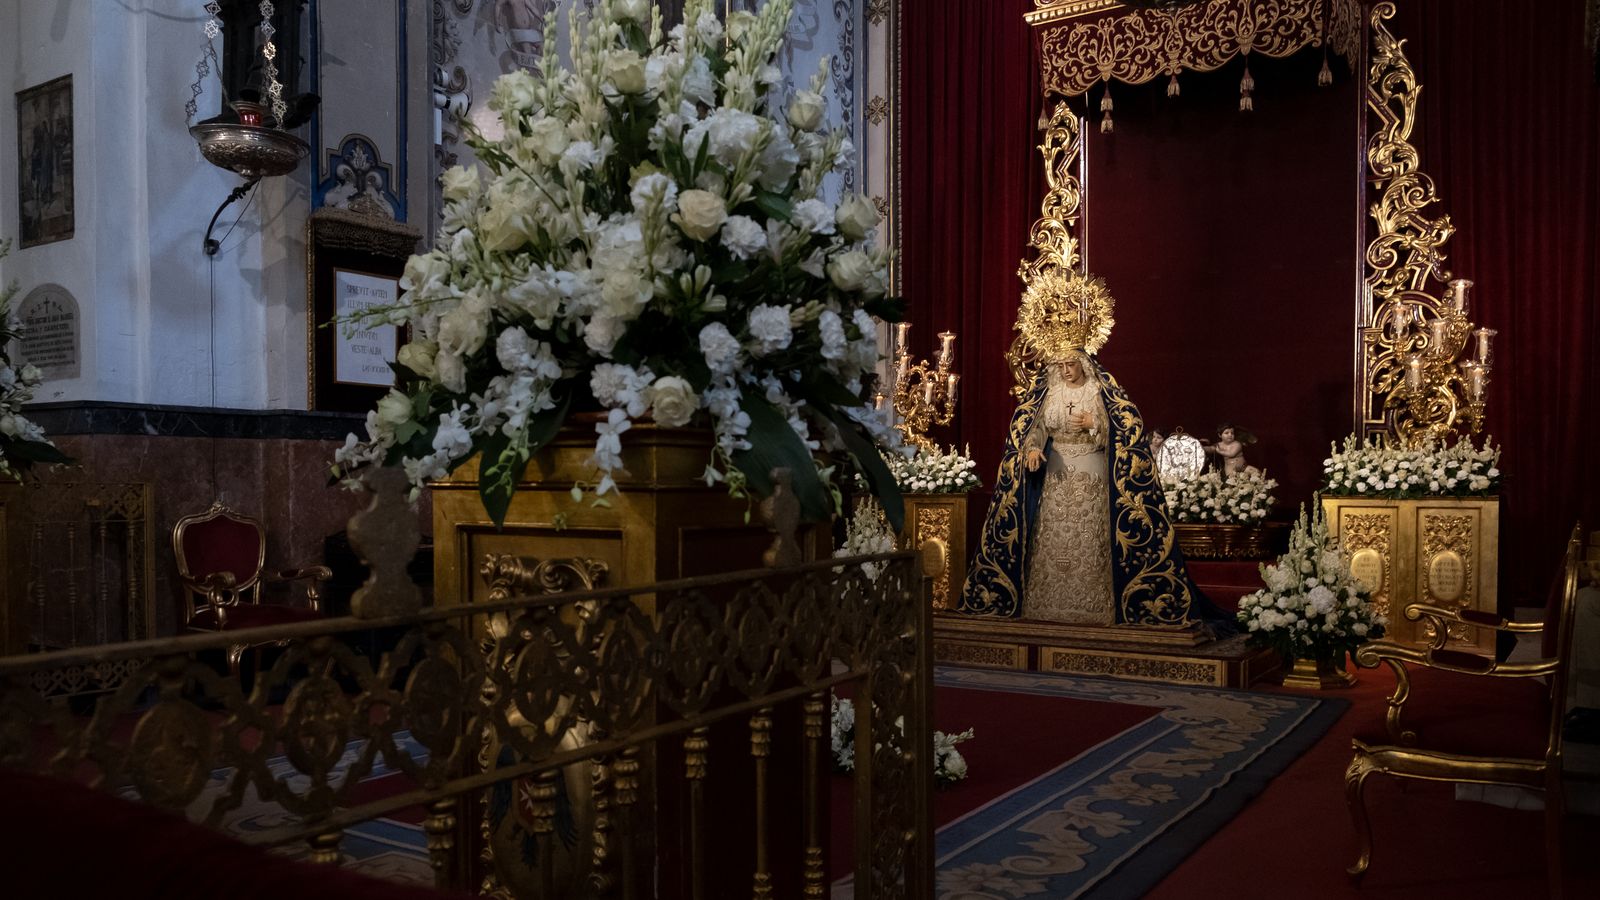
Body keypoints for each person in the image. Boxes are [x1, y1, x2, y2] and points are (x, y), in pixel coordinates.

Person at [960, 330, 1231, 632]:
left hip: (1092, 472)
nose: (1065, 371)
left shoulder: (1099, 389)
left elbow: (1125, 430)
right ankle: (1047, 605)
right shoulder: (1049, 390)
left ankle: (1093, 606)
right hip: (1054, 478)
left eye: (1070, 365)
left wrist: (1095, 423)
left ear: (1084, 363)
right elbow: (1034, 427)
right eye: (1059, 365)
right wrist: (1033, 448)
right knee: (1052, 536)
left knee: (1089, 536)